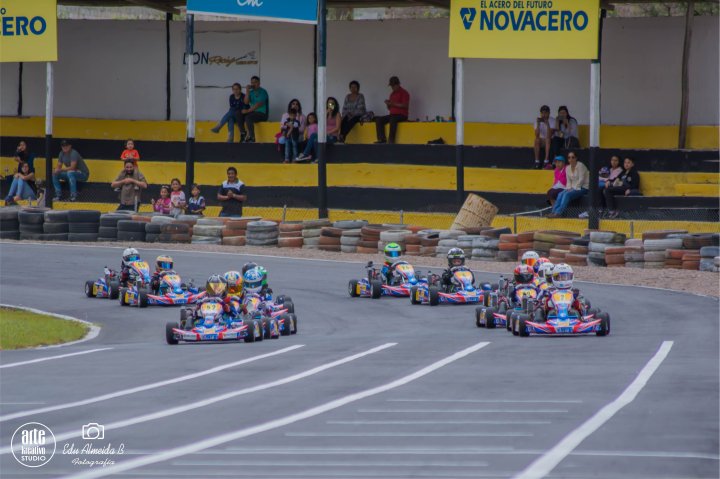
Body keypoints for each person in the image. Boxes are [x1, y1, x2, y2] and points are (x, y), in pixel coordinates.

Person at [547, 152, 588, 217]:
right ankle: (553, 212)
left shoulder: (580, 166)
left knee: (566, 194)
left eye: (573, 157)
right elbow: (568, 181)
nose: (571, 159)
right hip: (573, 187)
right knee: (560, 194)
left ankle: (558, 213)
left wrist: (573, 188)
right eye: (569, 158)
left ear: (576, 158)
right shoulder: (568, 168)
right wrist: (568, 188)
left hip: (583, 187)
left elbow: (581, 180)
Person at [375, 76, 410, 144]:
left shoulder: (404, 93)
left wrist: (392, 104)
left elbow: (405, 105)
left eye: (393, 86)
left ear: (398, 84)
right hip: (392, 115)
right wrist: (388, 104)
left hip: (402, 115)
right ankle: (382, 139)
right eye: (391, 86)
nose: (392, 87)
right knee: (379, 120)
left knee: (393, 119)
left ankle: (391, 140)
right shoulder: (392, 94)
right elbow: (389, 108)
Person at [237, 76, 269, 143]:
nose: (253, 84)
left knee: (248, 117)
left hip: (262, 114)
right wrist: (247, 91)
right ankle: (243, 134)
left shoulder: (263, 92)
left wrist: (247, 111)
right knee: (239, 113)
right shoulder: (251, 92)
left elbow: (258, 104)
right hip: (253, 112)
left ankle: (252, 138)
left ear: (259, 83)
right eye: (252, 82)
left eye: (255, 82)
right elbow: (246, 102)